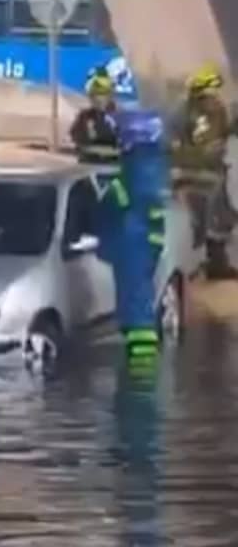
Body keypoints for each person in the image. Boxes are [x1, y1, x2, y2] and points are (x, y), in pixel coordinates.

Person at [96, 109, 169, 365]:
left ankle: (138, 379)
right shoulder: (152, 171)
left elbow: (110, 208)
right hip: (144, 245)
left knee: (136, 310)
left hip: (132, 245)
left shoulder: (132, 176)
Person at [170, 64, 238, 280]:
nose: (215, 96)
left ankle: (215, 264)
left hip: (212, 172)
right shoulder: (188, 113)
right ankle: (195, 267)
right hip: (197, 175)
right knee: (202, 222)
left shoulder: (216, 109)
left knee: (219, 219)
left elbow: (223, 134)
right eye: (211, 91)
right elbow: (180, 147)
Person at [69, 66, 120, 165]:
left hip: (112, 166)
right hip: (90, 165)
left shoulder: (119, 117)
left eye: (102, 93)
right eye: (94, 94)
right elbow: (76, 137)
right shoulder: (85, 116)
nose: (97, 98)